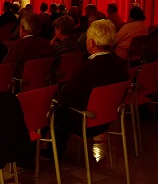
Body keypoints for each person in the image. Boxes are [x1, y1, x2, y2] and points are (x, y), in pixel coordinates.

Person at [53, 19, 129, 156]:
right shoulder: (121, 65)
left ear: (92, 42)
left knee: (56, 109)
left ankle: (54, 152)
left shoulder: (88, 67)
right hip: (107, 119)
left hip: (86, 122)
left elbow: (67, 96)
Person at [2, 12, 53, 78]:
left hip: (22, 82)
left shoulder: (18, 45)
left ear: (22, 28)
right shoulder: (47, 44)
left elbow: (5, 68)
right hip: (43, 81)